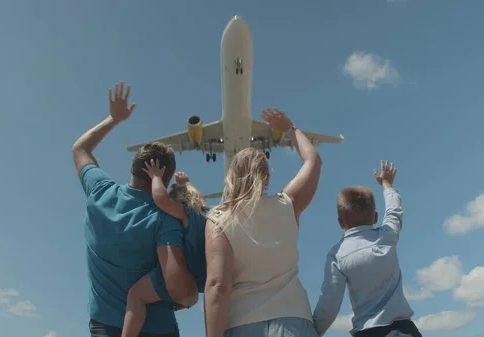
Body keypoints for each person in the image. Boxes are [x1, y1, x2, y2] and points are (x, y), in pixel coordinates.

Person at [72, 81, 197, 337]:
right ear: (164, 178)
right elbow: (179, 289)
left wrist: (112, 119)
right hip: (156, 329)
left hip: (104, 327)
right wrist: (190, 296)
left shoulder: (99, 193)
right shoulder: (164, 216)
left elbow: (80, 149)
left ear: (133, 167)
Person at [203, 108, 322, 337]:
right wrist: (290, 128)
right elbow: (313, 161)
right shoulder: (288, 204)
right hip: (294, 322)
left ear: (231, 176)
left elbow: (218, 285)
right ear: (267, 177)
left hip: (242, 324)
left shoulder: (217, 218)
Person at [312, 161, 422, 337]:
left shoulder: (337, 255)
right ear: (376, 217)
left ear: (340, 223)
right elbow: (394, 211)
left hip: (367, 332)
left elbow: (330, 302)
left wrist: (314, 331)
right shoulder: (387, 237)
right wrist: (387, 185)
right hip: (404, 330)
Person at [122, 166, 209, 337]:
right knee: (183, 298)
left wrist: (156, 177)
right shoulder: (207, 216)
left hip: (179, 275)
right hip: (199, 281)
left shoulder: (186, 214)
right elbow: (202, 198)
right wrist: (187, 183)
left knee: (135, 295)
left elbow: (161, 199)